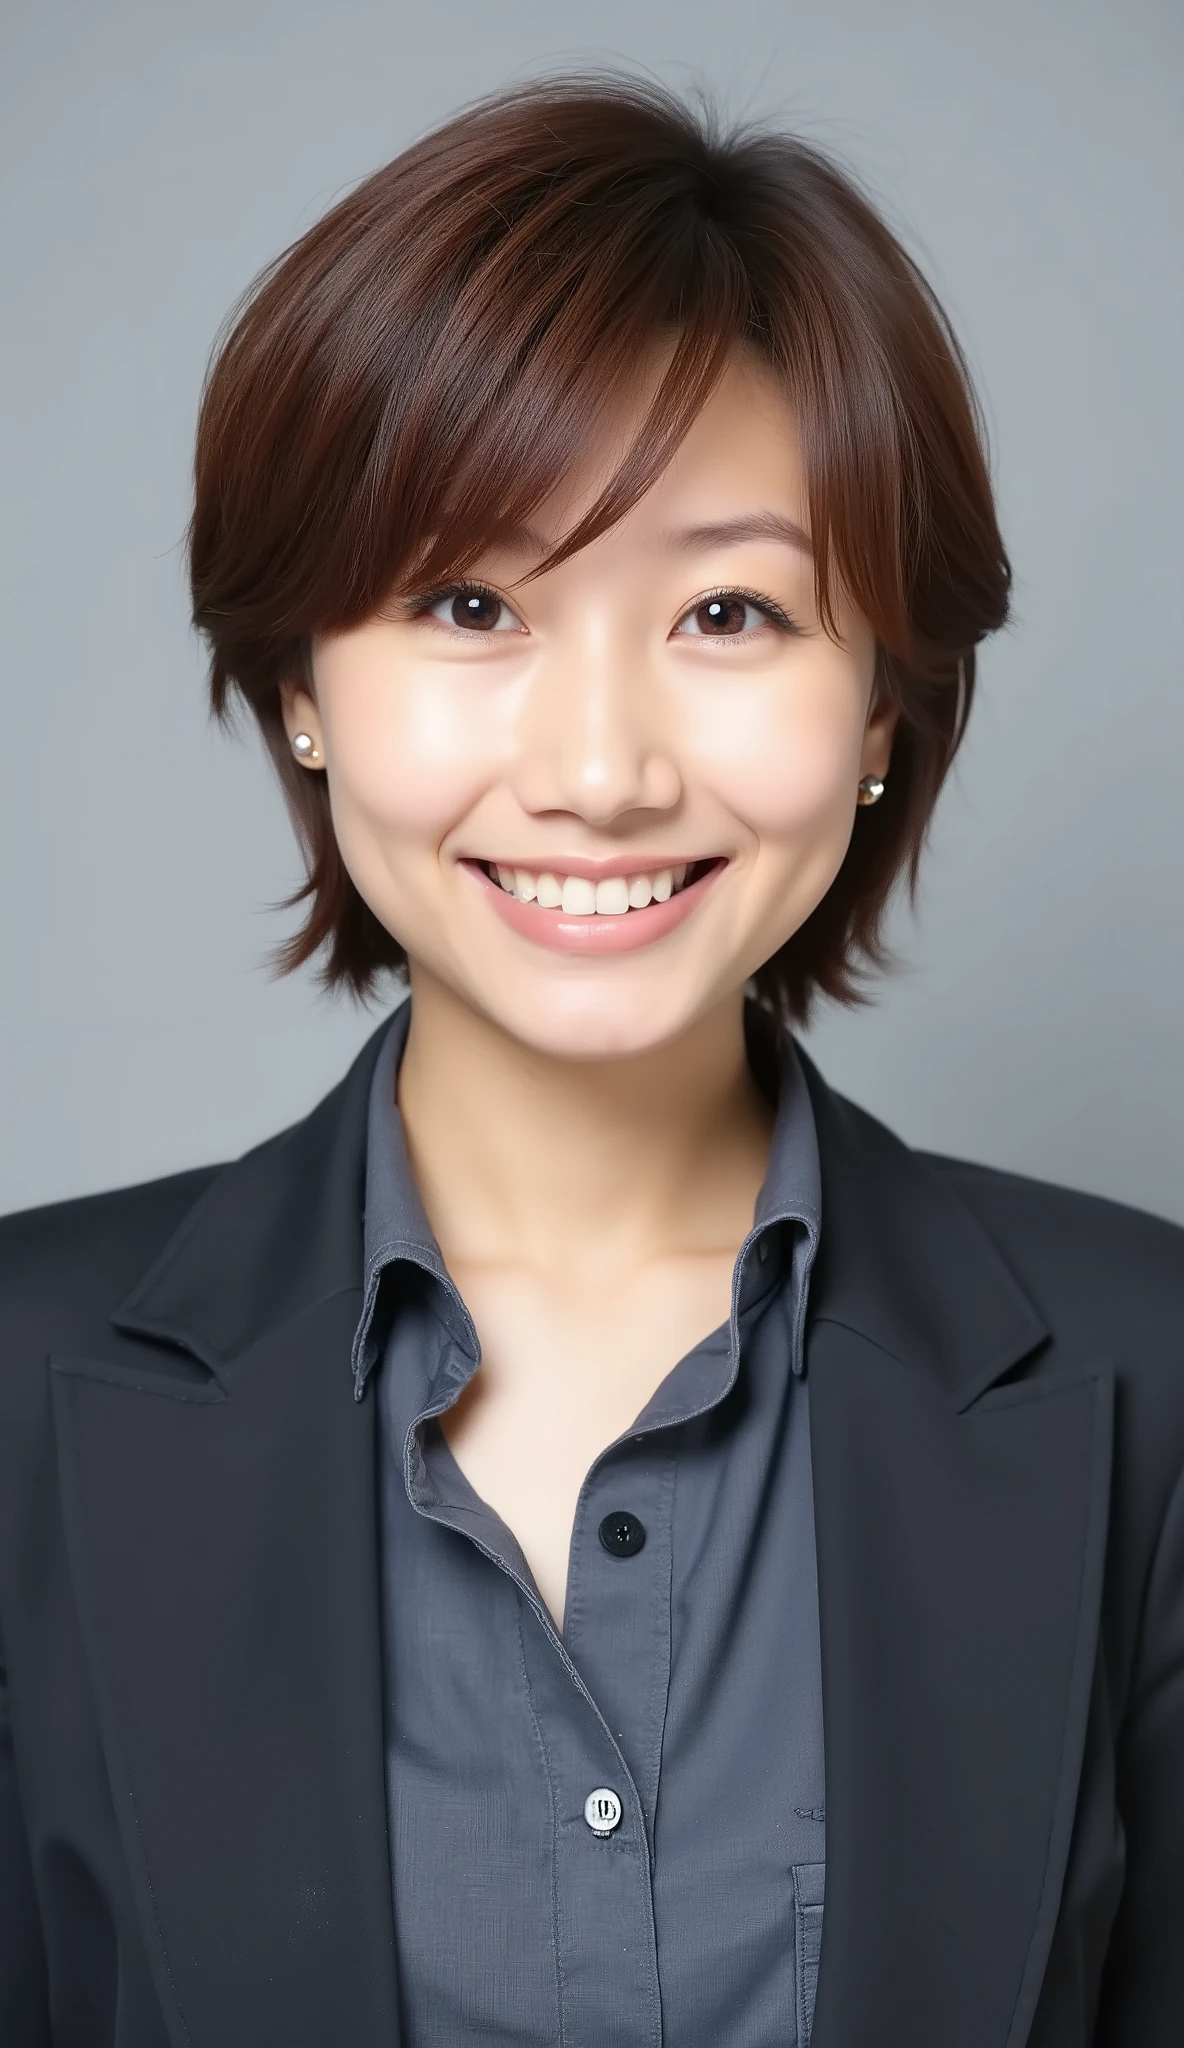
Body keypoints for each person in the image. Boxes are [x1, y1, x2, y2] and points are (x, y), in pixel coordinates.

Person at [1, 73, 1181, 2048]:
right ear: (301, 684)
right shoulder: (19, 1390)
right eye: (470, 602)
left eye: (729, 609)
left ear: (885, 697)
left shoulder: (1147, 1374)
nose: (602, 770)